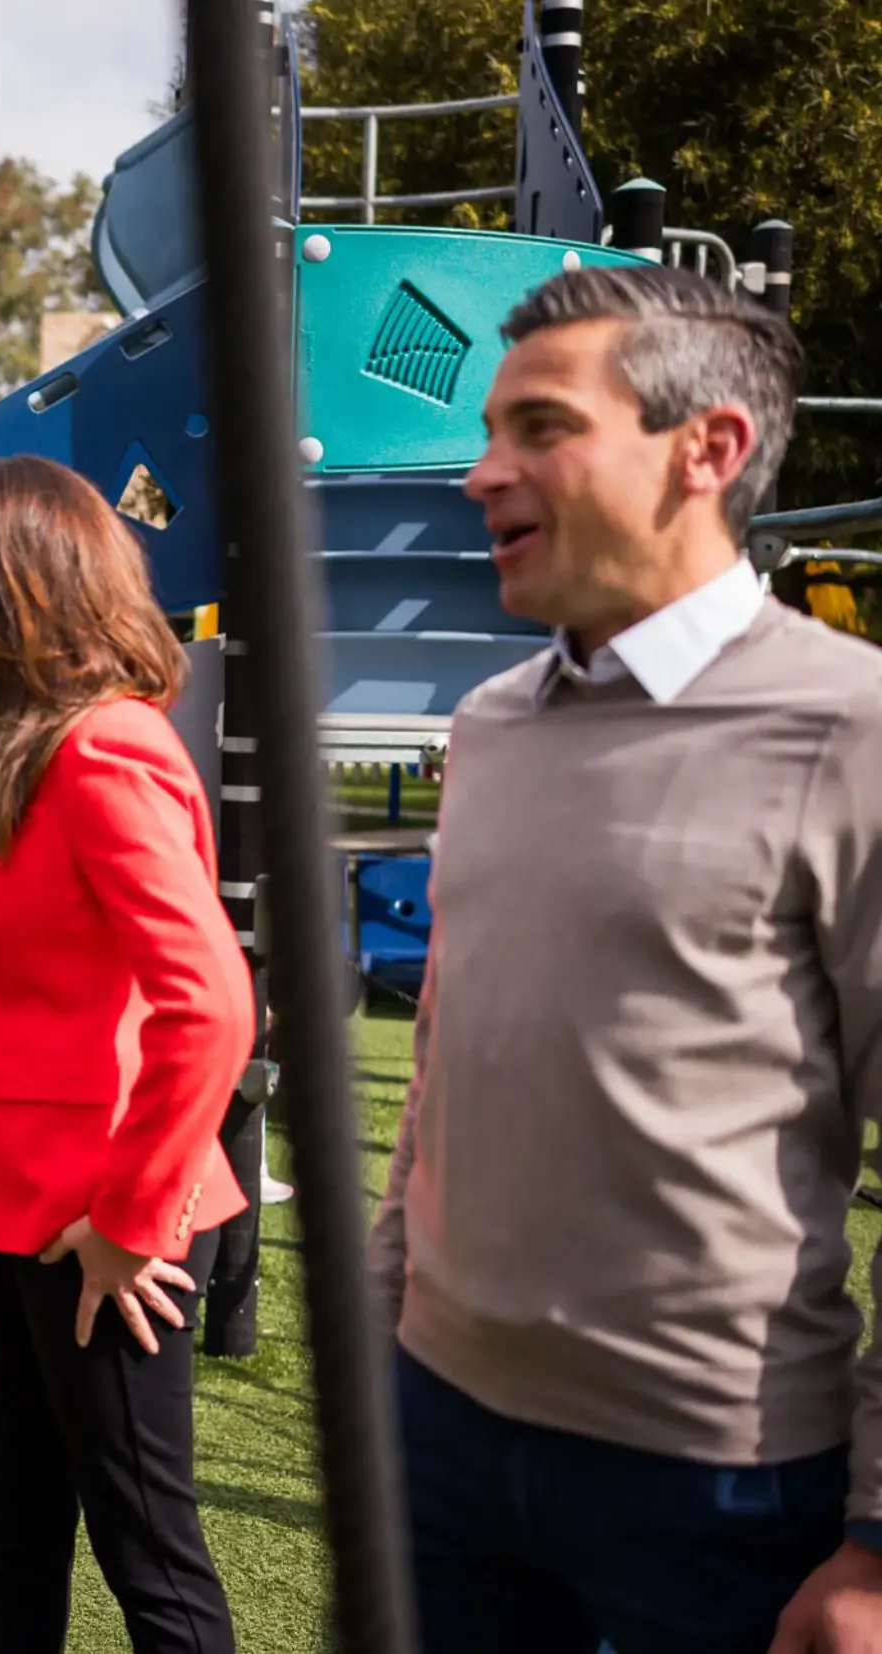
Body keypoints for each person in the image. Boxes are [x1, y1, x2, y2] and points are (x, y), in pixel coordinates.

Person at [370, 264, 882, 1654]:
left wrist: (878, 1545)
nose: (481, 473)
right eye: (488, 431)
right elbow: (446, 1055)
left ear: (706, 450)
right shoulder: (489, 722)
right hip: (436, 1434)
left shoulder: (852, 729)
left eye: (540, 427)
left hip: (713, 1486)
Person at [0, 454, 252, 1654]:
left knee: (148, 1557)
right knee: (20, 1533)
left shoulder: (104, 752)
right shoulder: (9, 745)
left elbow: (209, 1004)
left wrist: (131, 1220)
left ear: (2, 596)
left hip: (95, 1221)